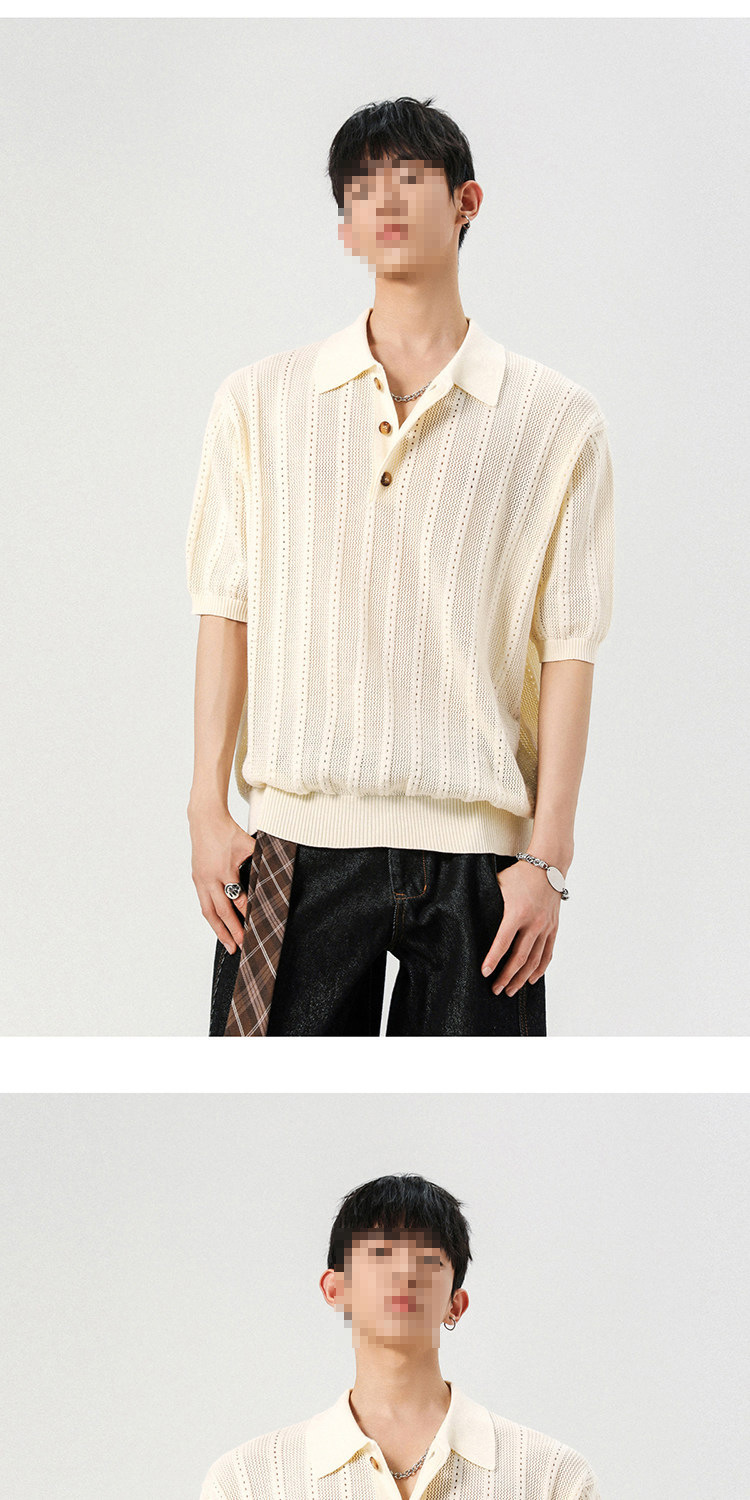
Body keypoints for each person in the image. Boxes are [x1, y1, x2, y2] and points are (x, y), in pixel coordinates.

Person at [185, 95, 615, 1037]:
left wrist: (547, 860)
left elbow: (570, 644)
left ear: (467, 201)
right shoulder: (260, 402)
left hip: (479, 863)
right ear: (343, 226)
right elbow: (226, 603)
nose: (382, 199)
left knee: (485, 1098)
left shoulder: (555, 420)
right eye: (360, 186)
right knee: (262, 1094)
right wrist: (205, 808)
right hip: (296, 847)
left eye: (408, 178)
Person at [199, 1173, 601, 1499]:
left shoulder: (551, 1477)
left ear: (455, 1304)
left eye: (426, 1261)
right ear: (336, 1290)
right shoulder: (246, 1480)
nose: (403, 1276)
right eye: (380, 1256)